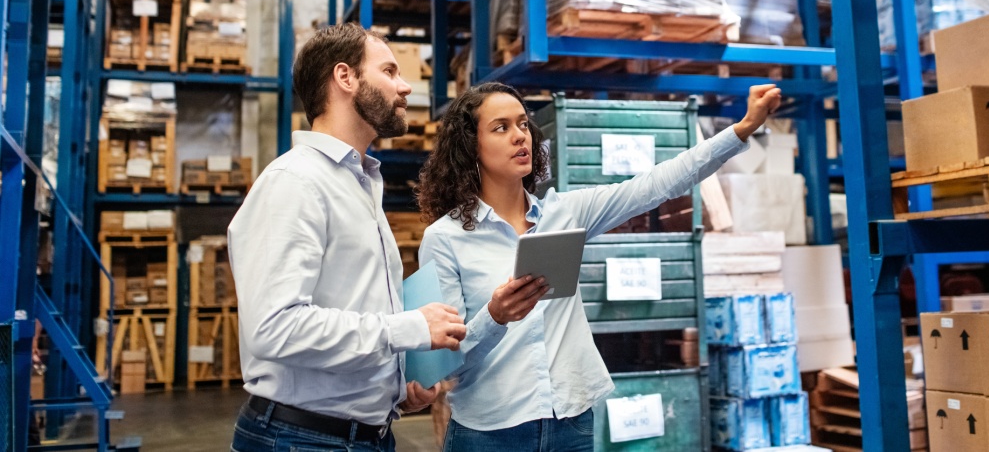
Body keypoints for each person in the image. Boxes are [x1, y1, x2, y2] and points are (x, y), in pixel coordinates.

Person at [417, 82, 781, 451]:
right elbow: (445, 363)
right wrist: (494, 317)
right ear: (469, 146)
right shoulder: (444, 239)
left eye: (523, 124)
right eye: (501, 127)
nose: (519, 136)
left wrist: (744, 128)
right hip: (490, 433)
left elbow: (656, 184)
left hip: (570, 423)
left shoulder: (565, 213)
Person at [228, 24, 467, 452]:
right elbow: (275, 328)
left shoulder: (360, 182)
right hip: (301, 439)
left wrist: (395, 386)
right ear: (346, 78)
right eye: (390, 71)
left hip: (364, 435)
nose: (405, 85)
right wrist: (408, 329)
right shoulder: (296, 182)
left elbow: (353, 309)